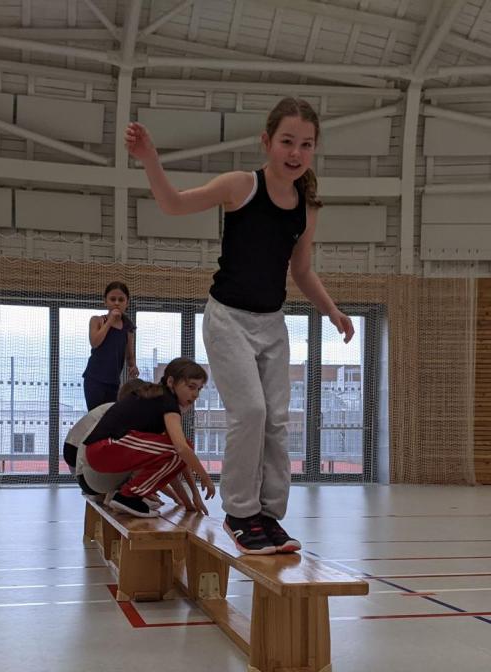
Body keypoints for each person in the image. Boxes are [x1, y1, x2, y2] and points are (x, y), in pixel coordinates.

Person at [124, 96, 354, 554]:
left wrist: (332, 310)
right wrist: (149, 159)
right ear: (267, 141)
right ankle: (240, 513)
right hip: (227, 317)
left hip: (272, 324)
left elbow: (301, 270)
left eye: (306, 145)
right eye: (287, 141)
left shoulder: (306, 209)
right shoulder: (241, 186)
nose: (295, 153)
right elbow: (173, 204)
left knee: (277, 421)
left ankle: (268, 516)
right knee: (250, 412)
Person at [83, 358, 214, 518]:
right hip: (101, 452)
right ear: (171, 382)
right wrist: (205, 478)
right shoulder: (167, 402)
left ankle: (130, 496)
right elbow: (181, 449)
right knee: (181, 448)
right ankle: (127, 496)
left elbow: (176, 462)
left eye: (199, 389)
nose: (195, 395)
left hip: (101, 455)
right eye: (191, 387)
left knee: (178, 451)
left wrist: (191, 499)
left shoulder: (158, 399)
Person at [82, 281, 139, 410]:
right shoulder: (97, 320)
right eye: (113, 299)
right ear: (105, 301)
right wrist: (110, 322)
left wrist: (133, 366)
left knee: (109, 416)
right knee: (96, 415)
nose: (116, 303)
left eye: (121, 300)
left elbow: (130, 355)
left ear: (127, 303)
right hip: (94, 379)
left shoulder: (128, 327)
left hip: (113, 381)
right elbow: (95, 343)